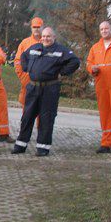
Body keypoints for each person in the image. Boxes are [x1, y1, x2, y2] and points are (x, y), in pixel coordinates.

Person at [12, 27, 80, 156]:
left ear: (54, 37)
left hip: (50, 89)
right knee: (27, 117)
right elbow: (23, 56)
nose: (45, 39)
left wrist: (62, 72)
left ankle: (43, 148)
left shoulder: (61, 50)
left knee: (46, 118)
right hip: (33, 88)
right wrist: (27, 68)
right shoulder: (34, 48)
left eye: (48, 36)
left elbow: (75, 61)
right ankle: (20, 145)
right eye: (43, 36)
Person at [86, 21, 111, 153]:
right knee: (104, 113)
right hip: (102, 85)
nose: (104, 31)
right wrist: (91, 68)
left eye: (106, 28)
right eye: (102, 29)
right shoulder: (95, 47)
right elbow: (89, 62)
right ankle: (106, 143)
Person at [15, 17, 43, 108]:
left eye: (38, 27)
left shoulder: (47, 41)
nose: (36, 29)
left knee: (41, 111)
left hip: (43, 83)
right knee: (27, 112)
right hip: (27, 81)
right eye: (34, 27)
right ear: (31, 28)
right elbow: (18, 61)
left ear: (42, 27)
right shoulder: (25, 43)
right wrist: (23, 77)